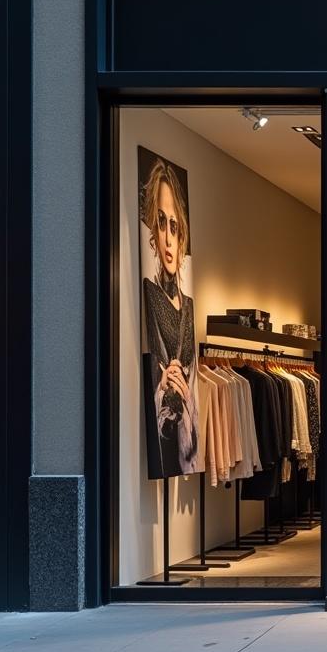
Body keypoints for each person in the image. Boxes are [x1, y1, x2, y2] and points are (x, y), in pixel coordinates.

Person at [141, 156, 200, 478]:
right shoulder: (149, 295)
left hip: (186, 443)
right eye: (161, 223)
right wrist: (162, 389)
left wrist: (189, 398)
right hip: (162, 443)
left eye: (174, 226)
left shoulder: (189, 306)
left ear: (182, 237)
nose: (167, 238)